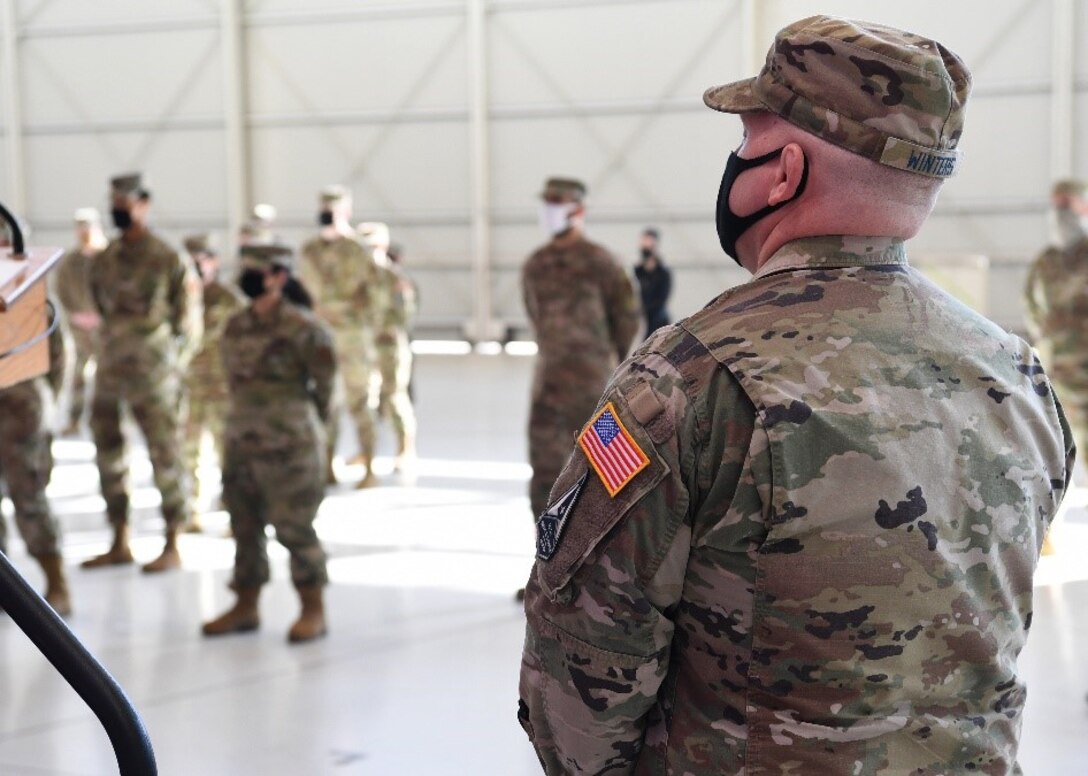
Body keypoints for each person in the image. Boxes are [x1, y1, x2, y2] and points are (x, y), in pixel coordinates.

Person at [518, 16, 1073, 775]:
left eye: (747, 138)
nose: (735, 159)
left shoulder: (692, 377)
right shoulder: (1018, 376)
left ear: (782, 173)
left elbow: (583, 681)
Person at [202, 242, 335, 643]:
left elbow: (327, 393)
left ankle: (313, 608)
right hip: (242, 439)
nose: (248, 277)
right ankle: (246, 605)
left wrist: (310, 434)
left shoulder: (305, 329)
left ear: (278, 276)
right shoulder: (235, 324)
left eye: (257, 270)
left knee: (294, 527)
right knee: (243, 525)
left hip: (289, 445)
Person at [520, 177, 640, 587]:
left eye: (559, 203)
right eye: (547, 202)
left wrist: (605, 366)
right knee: (545, 481)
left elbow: (626, 321)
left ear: (578, 210)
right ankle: (549, 570)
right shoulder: (535, 265)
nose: (551, 210)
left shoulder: (602, 263)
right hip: (548, 390)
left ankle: (603, 579)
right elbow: (537, 319)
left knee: (609, 480)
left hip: (596, 394)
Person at [83, 173, 203, 573]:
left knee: (165, 453)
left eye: (126, 202)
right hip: (110, 368)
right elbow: (101, 310)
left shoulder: (167, 258)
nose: (118, 209)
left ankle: (174, 540)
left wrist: (169, 369)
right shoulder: (104, 259)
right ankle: (120, 538)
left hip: (153, 374)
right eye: (114, 202)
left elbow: (188, 325)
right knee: (108, 453)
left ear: (144, 203)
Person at [0, 228, 70, 615]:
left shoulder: (30, 297)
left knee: (29, 500)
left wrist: (45, 401)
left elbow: (58, 356)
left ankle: (56, 583)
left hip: (20, 414)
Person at [299, 186, 381, 488]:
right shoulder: (310, 250)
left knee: (360, 403)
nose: (328, 215)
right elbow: (311, 292)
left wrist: (356, 319)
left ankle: (369, 467)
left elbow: (373, 294)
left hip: (353, 339)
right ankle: (327, 464)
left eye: (334, 210)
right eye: (324, 209)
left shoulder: (358, 250)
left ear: (346, 212)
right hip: (323, 338)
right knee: (325, 402)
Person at [180, 234, 245, 533]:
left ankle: (235, 514)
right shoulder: (180, 297)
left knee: (227, 453)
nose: (197, 264)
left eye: (202, 258)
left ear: (214, 261)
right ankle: (193, 511)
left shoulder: (229, 300)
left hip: (222, 387)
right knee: (191, 452)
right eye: (191, 258)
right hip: (189, 386)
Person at [358, 222, 418, 473]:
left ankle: (405, 449)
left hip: (389, 345)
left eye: (372, 246)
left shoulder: (394, 278)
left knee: (394, 397)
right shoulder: (357, 278)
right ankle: (366, 452)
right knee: (364, 400)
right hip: (363, 345)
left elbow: (405, 314)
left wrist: (383, 327)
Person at [53, 207, 108, 435]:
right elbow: (62, 290)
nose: (84, 233)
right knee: (78, 377)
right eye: (80, 229)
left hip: (106, 328)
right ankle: (74, 420)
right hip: (79, 328)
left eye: (88, 228)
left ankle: (111, 421)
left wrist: (101, 315)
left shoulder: (109, 258)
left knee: (110, 377)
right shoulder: (70, 262)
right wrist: (76, 315)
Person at [634, 227, 672, 338]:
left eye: (649, 242)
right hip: (642, 320)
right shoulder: (638, 271)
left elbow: (661, 300)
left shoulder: (663, 273)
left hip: (657, 321)